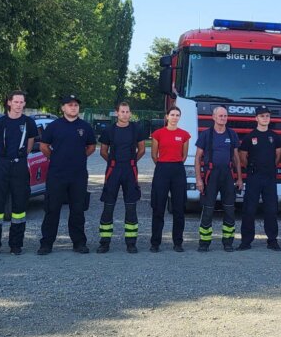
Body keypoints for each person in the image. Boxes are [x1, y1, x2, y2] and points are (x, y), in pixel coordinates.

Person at [38, 94, 96, 255]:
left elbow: (91, 146)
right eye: (69, 105)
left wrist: (79, 157)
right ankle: (46, 244)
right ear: (63, 108)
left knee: (77, 210)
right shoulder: (54, 126)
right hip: (57, 174)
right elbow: (44, 146)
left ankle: (79, 243)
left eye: (76, 105)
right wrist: (55, 157)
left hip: (78, 175)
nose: (73, 107)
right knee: (52, 209)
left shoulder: (85, 126)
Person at [0, 90, 38, 256]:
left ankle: (16, 245)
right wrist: (3, 160)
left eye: (22, 102)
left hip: (19, 165)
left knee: (19, 206)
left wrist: (18, 158)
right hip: (1, 165)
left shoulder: (29, 122)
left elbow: (30, 144)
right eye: (16, 102)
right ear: (9, 103)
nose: (19, 105)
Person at [97, 101, 146, 253]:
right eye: (122, 112)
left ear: (130, 113)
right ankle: (104, 242)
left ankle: (131, 243)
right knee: (108, 205)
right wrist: (113, 163)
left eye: (127, 112)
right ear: (117, 113)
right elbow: (103, 151)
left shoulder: (136, 129)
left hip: (130, 169)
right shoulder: (109, 130)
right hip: (113, 169)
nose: (125, 114)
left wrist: (131, 162)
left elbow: (142, 149)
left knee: (131, 206)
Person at [194, 106, 242, 251]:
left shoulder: (232, 134)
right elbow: (197, 158)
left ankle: (228, 242)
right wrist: (198, 179)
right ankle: (204, 243)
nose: (223, 118)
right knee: (208, 209)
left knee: (229, 209)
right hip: (211, 174)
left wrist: (239, 178)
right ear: (213, 117)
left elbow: (236, 158)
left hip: (227, 175)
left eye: (225, 116)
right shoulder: (206, 135)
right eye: (220, 116)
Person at [238, 106, 281, 250]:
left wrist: (268, 167)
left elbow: (278, 155)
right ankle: (246, 241)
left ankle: (272, 240)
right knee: (249, 209)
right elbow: (242, 157)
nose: (265, 118)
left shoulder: (274, 136)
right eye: (262, 116)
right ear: (256, 118)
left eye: (267, 116)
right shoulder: (249, 137)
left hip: (269, 177)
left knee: (271, 209)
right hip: (254, 177)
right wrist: (252, 168)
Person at [149, 106, 190, 252]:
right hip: (162, 169)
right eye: (172, 114)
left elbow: (184, 155)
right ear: (166, 116)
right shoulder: (158, 133)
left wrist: (175, 164)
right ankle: (155, 243)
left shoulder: (184, 135)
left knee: (179, 208)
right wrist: (163, 165)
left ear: (180, 117)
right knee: (158, 207)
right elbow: (154, 155)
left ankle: (178, 242)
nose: (174, 117)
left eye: (177, 115)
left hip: (178, 170)